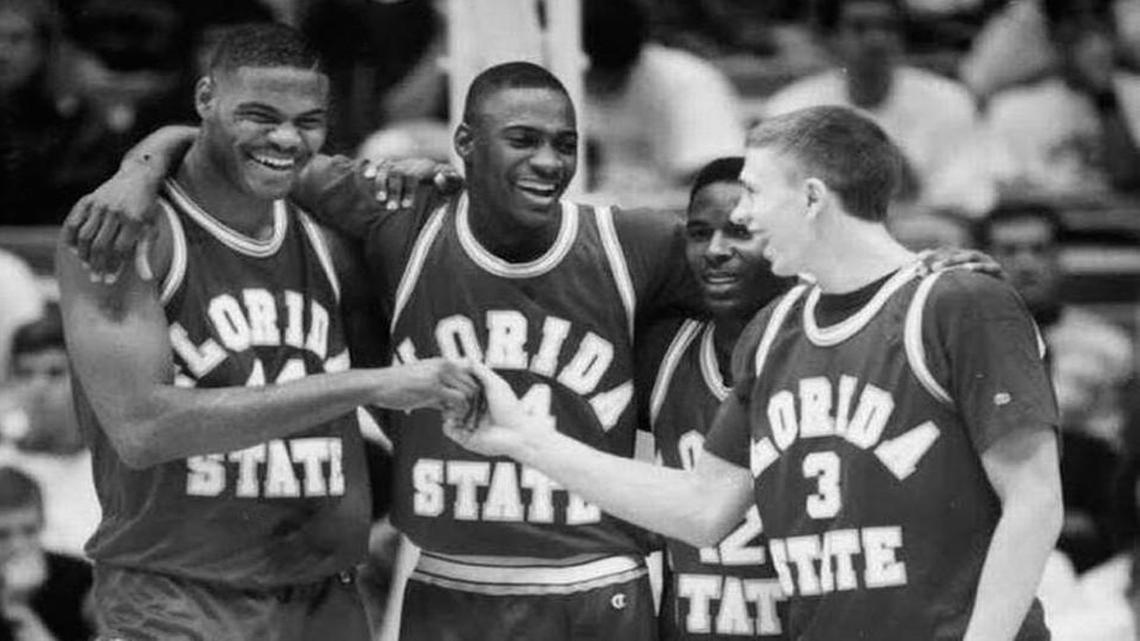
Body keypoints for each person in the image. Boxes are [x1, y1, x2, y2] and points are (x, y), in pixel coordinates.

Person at [449, 105, 1063, 641]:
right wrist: (523, 439)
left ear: (813, 199)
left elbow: (1034, 503)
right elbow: (703, 507)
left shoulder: (958, 301)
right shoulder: (774, 331)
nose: (745, 213)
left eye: (753, 193)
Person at [54, 23, 478, 641]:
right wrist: (367, 386)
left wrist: (420, 178)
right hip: (181, 599)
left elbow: (436, 199)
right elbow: (144, 429)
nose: (286, 137)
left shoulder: (314, 206)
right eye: (259, 114)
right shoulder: (123, 228)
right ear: (205, 98)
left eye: (309, 120)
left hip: (328, 598)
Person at [641, 156, 792, 639]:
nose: (716, 250)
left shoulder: (833, 347)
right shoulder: (662, 351)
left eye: (739, 232)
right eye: (699, 233)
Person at [979, 200, 1134, 571]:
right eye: (1010, 251)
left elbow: (1125, 450)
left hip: (1089, 518)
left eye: (1039, 249)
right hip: (990, 509)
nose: (1026, 263)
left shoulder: (1110, 347)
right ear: (984, 258)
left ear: (1059, 257)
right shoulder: (957, 347)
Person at [763, 0, 993, 216]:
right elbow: (782, 204)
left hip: (926, 236)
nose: (876, 40)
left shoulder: (949, 99)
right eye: (859, 28)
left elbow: (965, 198)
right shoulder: (791, 108)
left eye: (888, 28)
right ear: (830, 39)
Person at [986, 0, 1140, 195]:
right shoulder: (1011, 108)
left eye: (1100, 18)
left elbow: (1130, 183)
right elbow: (1007, 198)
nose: (1091, 32)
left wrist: (1105, 94)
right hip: (1052, 220)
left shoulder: (1136, 94)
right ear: (1053, 34)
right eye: (1075, 21)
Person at [0, 466, 93, 641]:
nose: (18, 545)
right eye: (2, 535)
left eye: (29, 530)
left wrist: (19, 610)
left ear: (42, 523)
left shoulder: (79, 578)